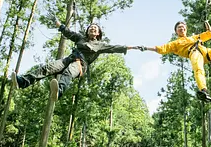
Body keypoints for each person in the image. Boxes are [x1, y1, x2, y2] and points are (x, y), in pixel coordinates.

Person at [12, 22, 143, 98]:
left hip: (80, 64)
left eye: (95, 28)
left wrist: (135, 47)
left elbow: (117, 47)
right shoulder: (80, 38)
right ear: (87, 31)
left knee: (68, 72)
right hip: (69, 59)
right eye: (91, 27)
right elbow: (68, 33)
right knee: (48, 67)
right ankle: (23, 82)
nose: (92, 29)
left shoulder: (101, 45)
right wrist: (59, 25)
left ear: (98, 33)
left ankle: (59, 92)